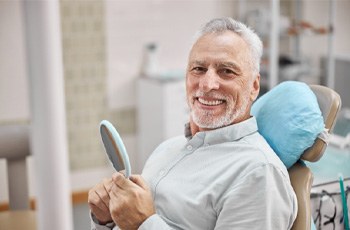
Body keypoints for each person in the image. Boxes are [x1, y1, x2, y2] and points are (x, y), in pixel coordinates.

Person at [88, 17, 298, 230]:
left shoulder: (258, 173)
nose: (207, 84)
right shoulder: (167, 149)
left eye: (227, 71)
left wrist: (144, 224)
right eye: (198, 69)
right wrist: (107, 220)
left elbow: (140, 222)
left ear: (254, 87)